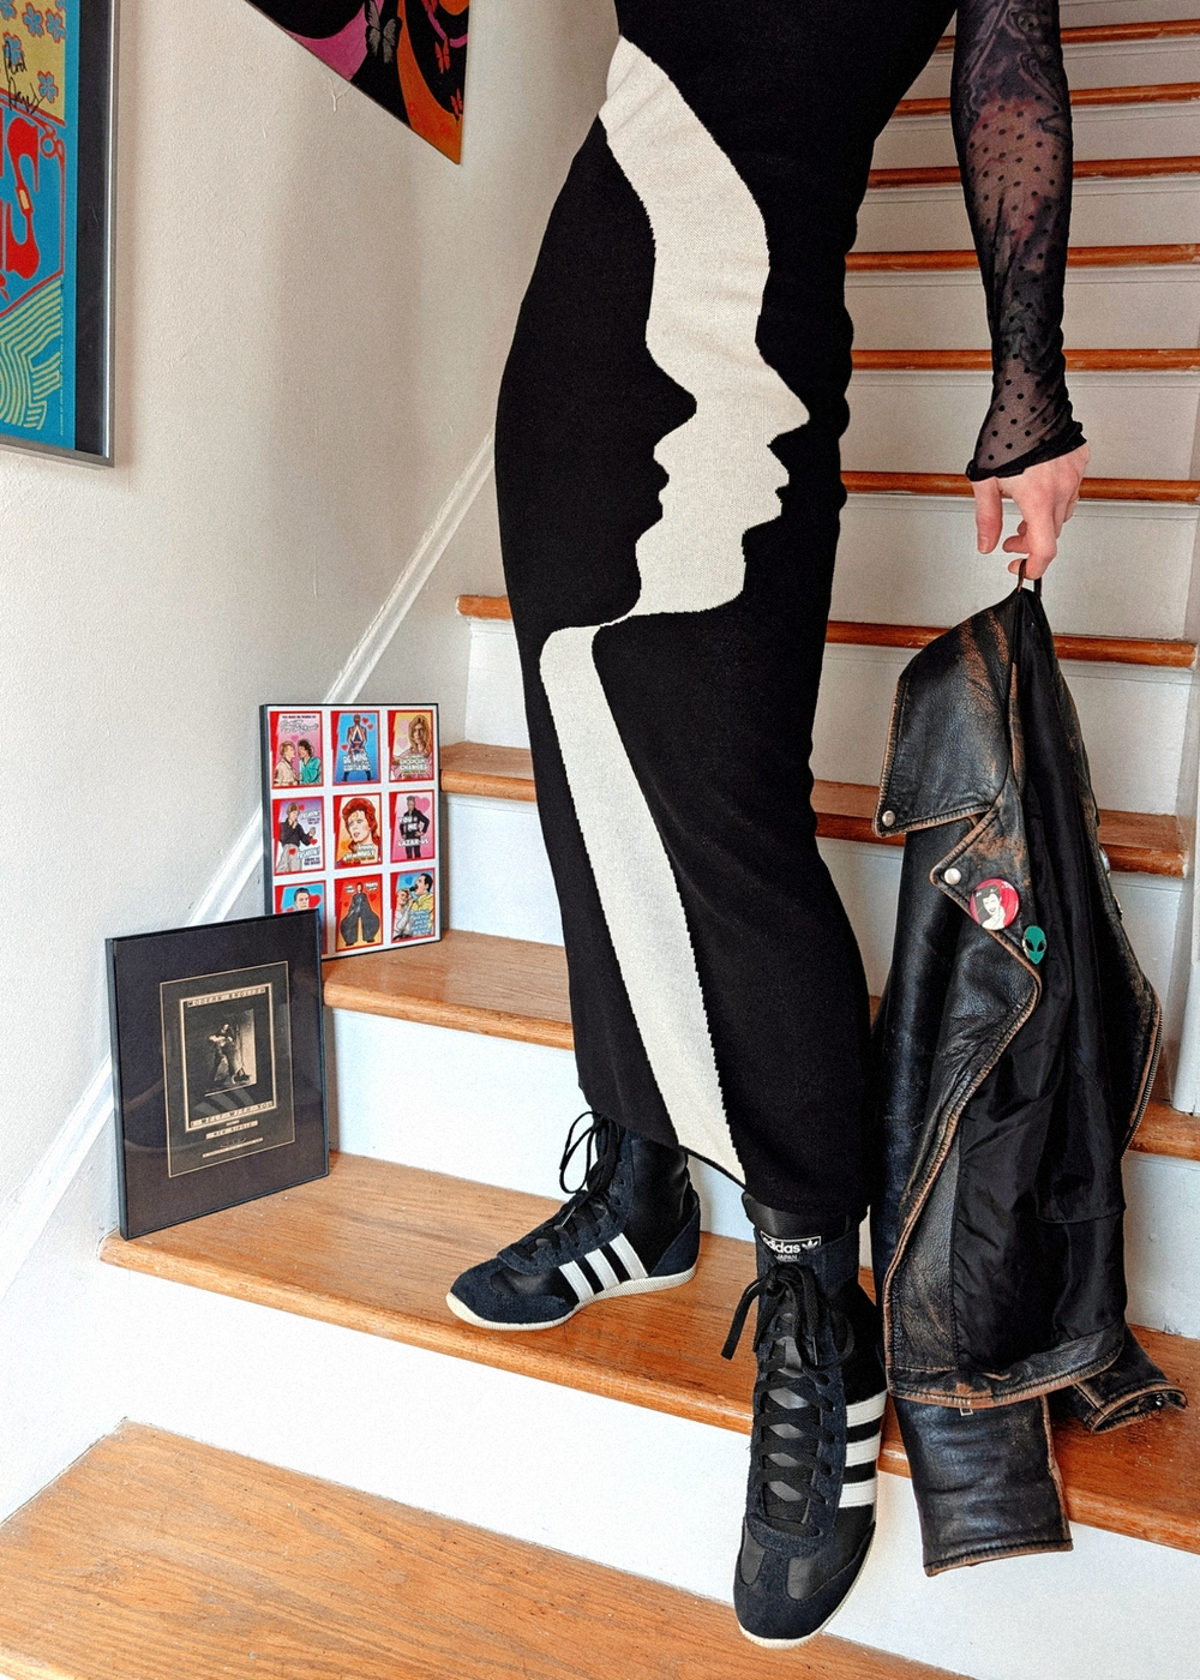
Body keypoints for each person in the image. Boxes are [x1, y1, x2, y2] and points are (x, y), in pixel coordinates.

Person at [446, 0, 1090, 1649]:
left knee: (719, 807)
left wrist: (1031, 382)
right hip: (589, 281)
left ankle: (819, 1298)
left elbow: (1008, 55)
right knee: (590, 760)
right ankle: (647, 1177)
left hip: (734, 320)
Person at [338, 798, 381, 865]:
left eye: (359, 821)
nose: (354, 827)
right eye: (351, 824)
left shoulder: (386, 849)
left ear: (370, 823)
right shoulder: (345, 863)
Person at [275, 803, 318, 873]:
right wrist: (292, 827)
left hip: (295, 849)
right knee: (281, 869)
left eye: (297, 814)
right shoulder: (282, 825)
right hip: (286, 848)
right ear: (289, 813)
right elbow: (282, 838)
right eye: (294, 813)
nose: (295, 815)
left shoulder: (298, 827)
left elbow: (305, 841)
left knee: (295, 869)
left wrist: (310, 834)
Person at [396, 794, 431, 860]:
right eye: (409, 804)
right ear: (407, 804)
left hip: (415, 836)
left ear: (414, 804)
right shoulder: (405, 814)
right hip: (408, 837)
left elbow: (427, 821)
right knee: (408, 854)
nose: (410, 806)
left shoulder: (417, 813)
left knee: (417, 853)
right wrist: (403, 834)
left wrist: (422, 832)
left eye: (412, 804)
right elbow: (401, 826)